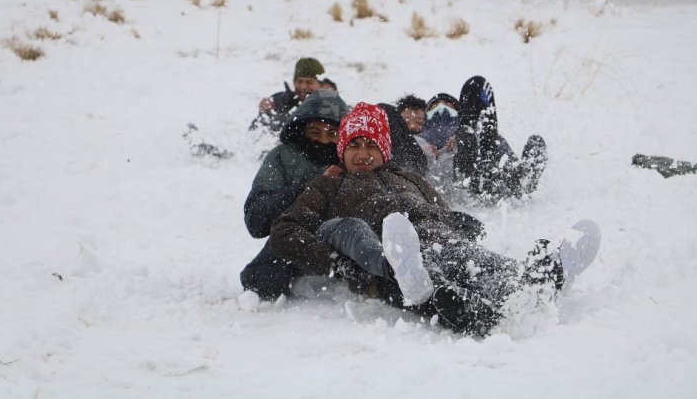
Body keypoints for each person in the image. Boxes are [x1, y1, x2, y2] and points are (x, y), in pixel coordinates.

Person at [269, 102, 600, 336]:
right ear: (341, 149)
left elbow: (439, 210)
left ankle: (545, 279)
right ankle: (471, 309)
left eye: (371, 144)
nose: (363, 153)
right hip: (393, 255)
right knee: (441, 284)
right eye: (354, 145)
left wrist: (459, 220)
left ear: (385, 149)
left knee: (480, 262)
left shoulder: (410, 178)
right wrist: (336, 263)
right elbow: (285, 231)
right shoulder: (330, 184)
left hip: (444, 240)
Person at [241, 89, 349, 299]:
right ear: (302, 130)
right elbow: (256, 218)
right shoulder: (282, 157)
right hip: (292, 241)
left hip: (348, 241)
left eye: (332, 133)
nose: (324, 140)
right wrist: (310, 186)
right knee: (262, 278)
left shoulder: (355, 155)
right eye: (315, 132)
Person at [418, 77, 548, 204]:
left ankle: (517, 179)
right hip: (432, 181)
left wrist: (460, 138)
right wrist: (422, 145)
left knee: (476, 90)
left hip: (473, 171)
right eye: (434, 107)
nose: (442, 109)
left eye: (448, 106)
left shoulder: (470, 133)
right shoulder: (420, 133)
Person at [249, 57, 325, 132]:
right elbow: (254, 131)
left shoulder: (330, 106)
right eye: (299, 81)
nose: (303, 87)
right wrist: (264, 113)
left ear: (321, 85)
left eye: (309, 82)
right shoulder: (280, 101)